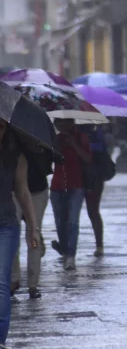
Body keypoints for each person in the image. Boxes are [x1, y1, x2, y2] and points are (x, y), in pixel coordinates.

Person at [0, 120, 41, 348]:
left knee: (2, 283)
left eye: (2, 127)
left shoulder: (14, 156)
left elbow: (23, 191)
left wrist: (33, 227)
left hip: (6, 224)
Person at [11, 140, 52, 299]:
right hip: (14, 191)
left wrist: (38, 150)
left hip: (37, 191)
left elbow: (48, 167)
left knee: (33, 234)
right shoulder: (11, 140)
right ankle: (13, 279)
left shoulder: (42, 140)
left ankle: (33, 284)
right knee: (12, 234)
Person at [50, 119, 91, 271]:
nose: (63, 125)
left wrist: (73, 144)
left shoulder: (81, 138)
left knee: (73, 222)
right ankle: (65, 251)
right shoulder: (54, 139)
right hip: (57, 186)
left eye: (66, 122)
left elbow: (88, 159)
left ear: (72, 122)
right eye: (60, 122)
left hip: (76, 186)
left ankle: (71, 256)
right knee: (61, 223)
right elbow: (49, 159)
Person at [82, 125, 108, 257]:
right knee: (68, 213)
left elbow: (100, 149)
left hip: (94, 177)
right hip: (73, 176)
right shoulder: (71, 130)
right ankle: (66, 247)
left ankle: (100, 245)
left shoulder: (98, 132)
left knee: (93, 211)